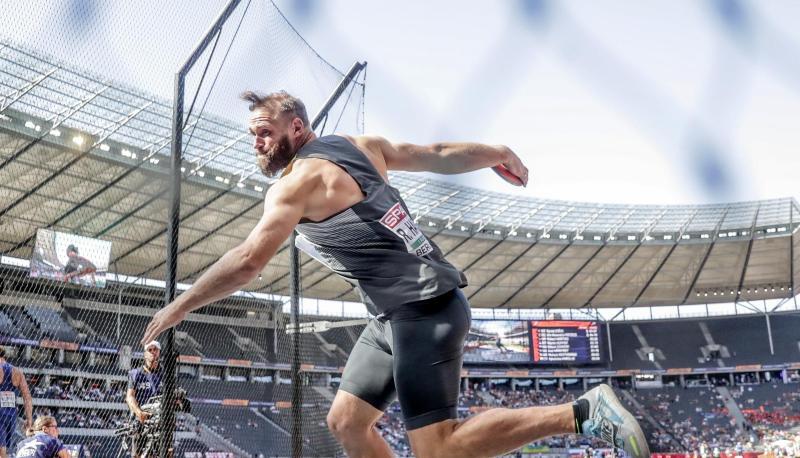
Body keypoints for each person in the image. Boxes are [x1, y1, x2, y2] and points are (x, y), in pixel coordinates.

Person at [142, 90, 650, 458]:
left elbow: (251, 260)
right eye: (253, 135)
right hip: (392, 315)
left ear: (297, 127)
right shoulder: (361, 145)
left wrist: (177, 307)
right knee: (346, 422)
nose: (257, 143)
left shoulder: (296, 185)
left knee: (437, 450)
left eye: (264, 132)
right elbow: (437, 155)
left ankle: (583, 413)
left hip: (422, 307)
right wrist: (497, 152)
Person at [125, 340, 162, 458]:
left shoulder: (166, 374)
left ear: (159, 352)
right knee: (138, 455)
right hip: (141, 421)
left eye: (155, 349)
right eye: (149, 350)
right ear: (145, 354)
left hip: (160, 422)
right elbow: (129, 396)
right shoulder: (135, 374)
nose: (152, 353)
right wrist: (139, 412)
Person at [0, 348, 32, 458]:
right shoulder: (16, 372)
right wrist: (29, 419)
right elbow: (27, 397)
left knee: (1, 451)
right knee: (3, 450)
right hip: (10, 414)